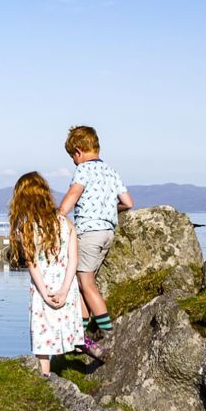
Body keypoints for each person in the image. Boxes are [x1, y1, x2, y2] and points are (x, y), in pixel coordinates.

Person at [57, 125, 133, 357]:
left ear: (78, 151)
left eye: (72, 157)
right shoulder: (111, 171)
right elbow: (128, 202)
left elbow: (73, 195)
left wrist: (59, 215)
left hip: (89, 233)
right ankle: (80, 336)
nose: (73, 161)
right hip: (107, 232)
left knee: (87, 284)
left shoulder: (83, 171)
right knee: (81, 283)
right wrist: (109, 209)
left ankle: (109, 334)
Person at [10, 171, 83, 376]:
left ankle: (45, 377)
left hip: (44, 289)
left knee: (44, 343)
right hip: (66, 288)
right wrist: (65, 290)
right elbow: (73, 260)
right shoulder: (66, 223)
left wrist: (44, 292)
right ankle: (79, 357)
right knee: (64, 332)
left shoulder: (26, 228)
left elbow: (32, 265)